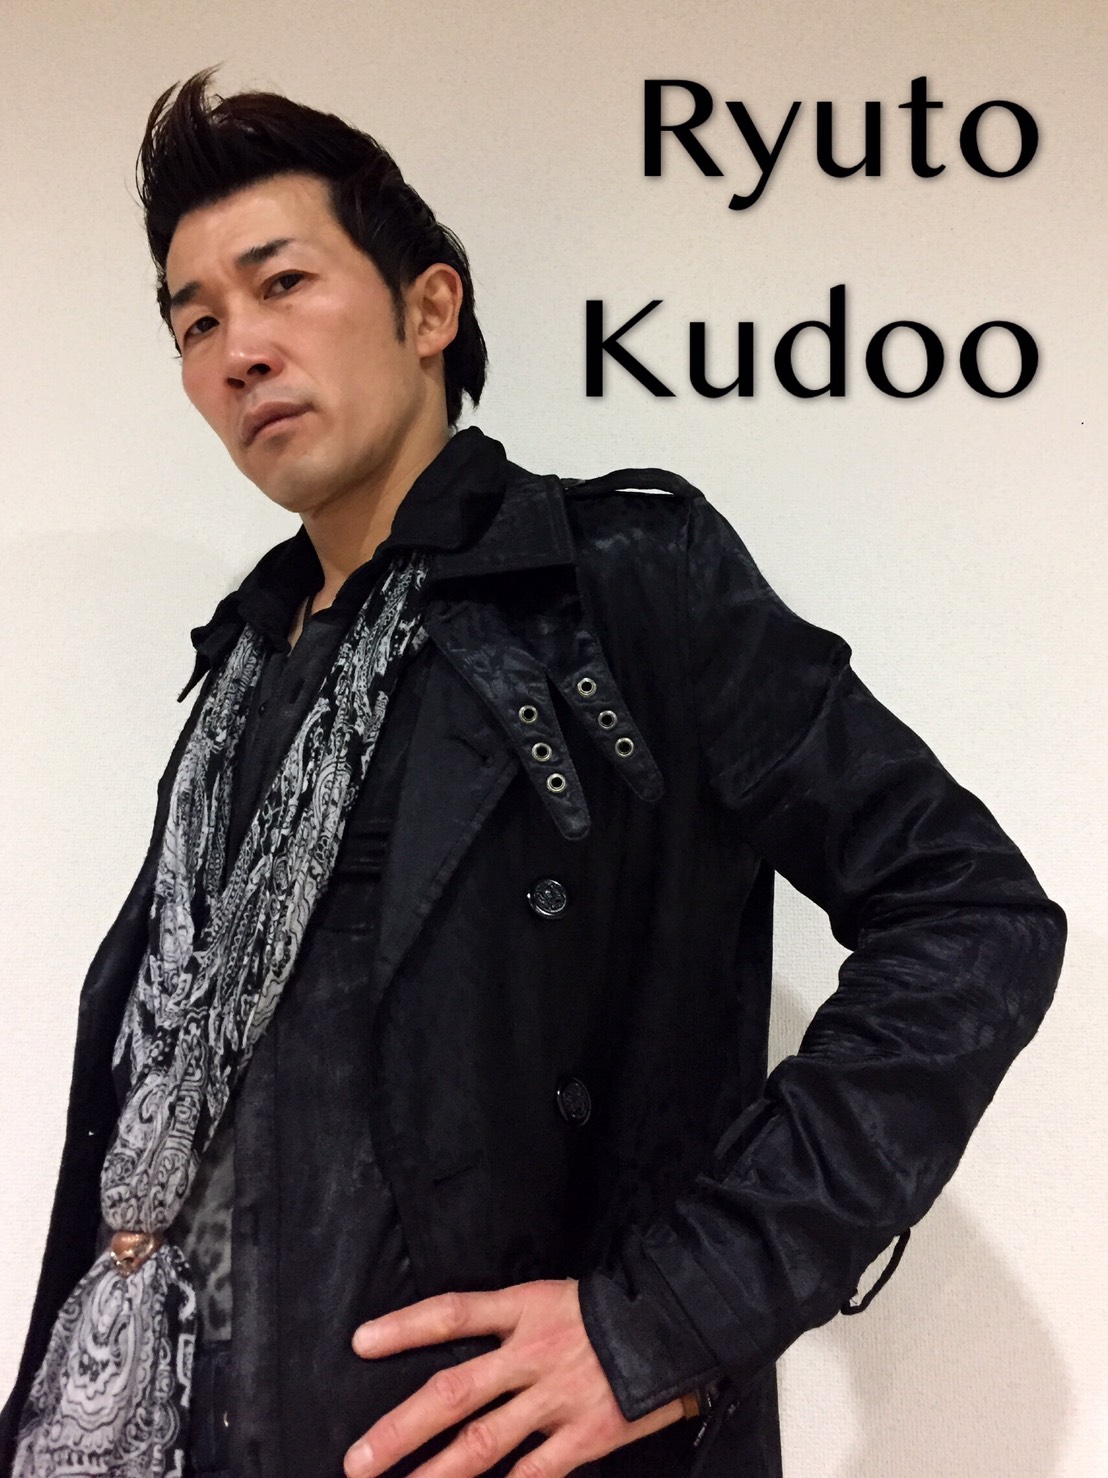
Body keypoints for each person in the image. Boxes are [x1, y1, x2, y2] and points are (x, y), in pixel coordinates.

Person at [0, 69, 1066, 1478]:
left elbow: (972, 916)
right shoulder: (242, 669)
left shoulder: (618, 585)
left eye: (282, 283)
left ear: (429, 309)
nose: (237, 350)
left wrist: (674, 1315)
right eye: (194, 322)